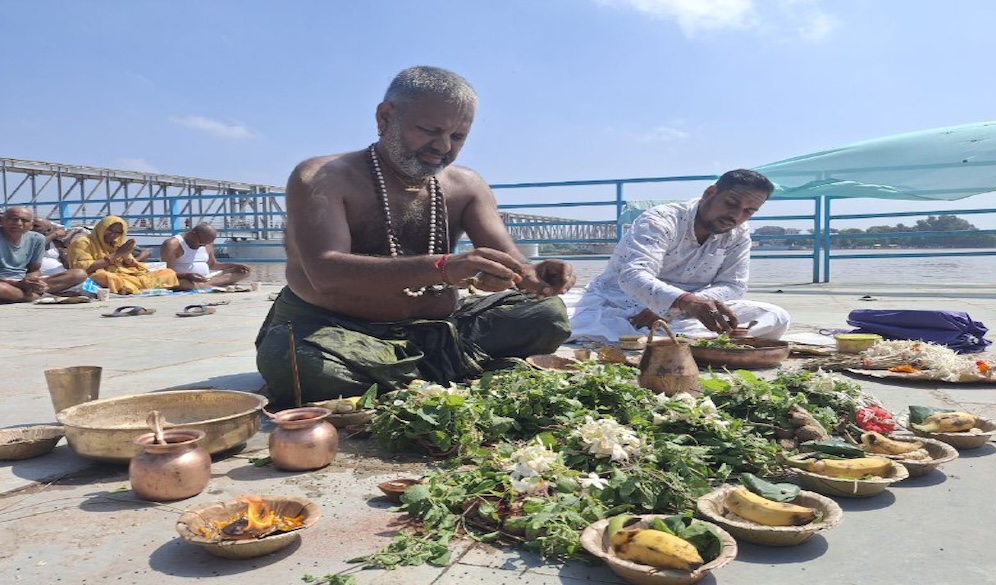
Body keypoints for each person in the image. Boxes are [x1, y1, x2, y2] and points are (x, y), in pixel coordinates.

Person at [255, 66, 575, 406]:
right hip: (336, 330)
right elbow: (325, 273)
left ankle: (405, 378)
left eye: (457, 137)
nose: (442, 147)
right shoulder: (322, 177)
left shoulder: (466, 185)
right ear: (385, 117)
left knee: (547, 316)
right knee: (294, 363)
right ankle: (441, 375)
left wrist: (533, 274)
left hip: (439, 331)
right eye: (428, 130)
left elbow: (511, 261)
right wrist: (441, 268)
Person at [569, 169, 790, 343]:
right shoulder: (660, 220)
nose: (736, 215)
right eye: (731, 203)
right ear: (709, 193)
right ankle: (681, 339)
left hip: (693, 311)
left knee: (776, 316)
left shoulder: (739, 234)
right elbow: (633, 275)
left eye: (748, 211)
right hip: (627, 304)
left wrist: (685, 306)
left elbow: (733, 285)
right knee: (591, 324)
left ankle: (676, 337)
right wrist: (678, 301)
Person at [66, 215, 178, 295]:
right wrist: (117, 254)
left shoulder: (117, 243)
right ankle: (131, 286)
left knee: (168, 272)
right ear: (101, 228)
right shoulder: (83, 242)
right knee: (105, 277)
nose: (113, 235)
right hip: (100, 274)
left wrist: (128, 258)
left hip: (127, 275)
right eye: (110, 230)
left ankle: (131, 287)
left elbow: (132, 265)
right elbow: (82, 268)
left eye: (117, 232)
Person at [0, 207, 88, 303]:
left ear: (31, 226)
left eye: (24, 220)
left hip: (23, 282)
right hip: (5, 282)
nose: (18, 223)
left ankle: (31, 293)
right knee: (2, 288)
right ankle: (33, 297)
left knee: (79, 274)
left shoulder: (37, 239)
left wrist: (33, 280)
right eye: (13, 219)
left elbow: (34, 269)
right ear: (2, 221)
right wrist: (17, 284)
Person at [160, 222, 251, 290]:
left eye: (205, 244)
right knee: (182, 283)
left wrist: (235, 265)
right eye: (201, 244)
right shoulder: (172, 244)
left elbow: (213, 265)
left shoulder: (207, 243)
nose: (202, 246)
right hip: (184, 279)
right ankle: (212, 285)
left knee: (244, 272)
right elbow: (167, 273)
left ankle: (208, 285)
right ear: (193, 234)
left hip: (206, 277)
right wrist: (187, 275)